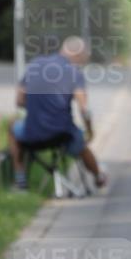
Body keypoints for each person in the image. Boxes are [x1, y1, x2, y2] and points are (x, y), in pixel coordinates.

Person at [8, 37, 107, 190]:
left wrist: (39, 108)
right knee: (80, 142)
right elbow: (84, 110)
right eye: (83, 60)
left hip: (31, 134)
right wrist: (90, 132)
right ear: (78, 56)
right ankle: (98, 176)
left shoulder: (35, 64)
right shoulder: (74, 73)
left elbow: (19, 101)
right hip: (62, 135)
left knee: (12, 126)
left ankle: (20, 179)